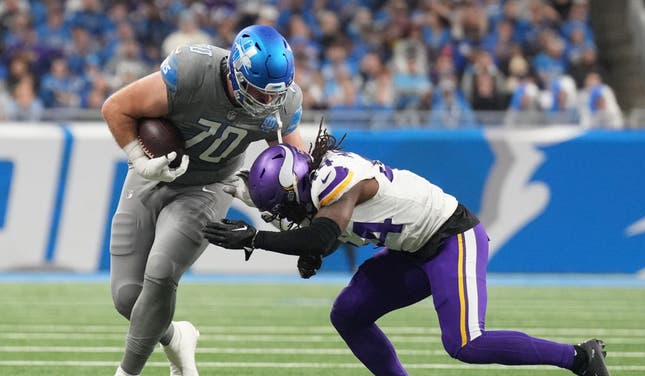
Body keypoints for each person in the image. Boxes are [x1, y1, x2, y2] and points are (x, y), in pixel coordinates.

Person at [203, 126, 610, 376]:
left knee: (465, 343)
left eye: (283, 207)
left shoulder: (334, 180)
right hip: (411, 250)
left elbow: (322, 236)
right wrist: (309, 250)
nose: (285, 216)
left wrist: (255, 239)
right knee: (348, 314)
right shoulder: (314, 189)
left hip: (452, 238)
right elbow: (323, 236)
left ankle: (578, 358)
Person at [101, 24, 306, 376]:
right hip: (153, 177)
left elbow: (295, 169)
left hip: (208, 187)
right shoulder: (193, 70)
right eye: (259, 92)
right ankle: (176, 336)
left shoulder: (283, 103)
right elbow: (116, 107)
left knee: (162, 270)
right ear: (237, 72)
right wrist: (139, 159)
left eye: (274, 95)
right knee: (127, 298)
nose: (268, 102)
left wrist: (266, 198)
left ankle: (126, 372)